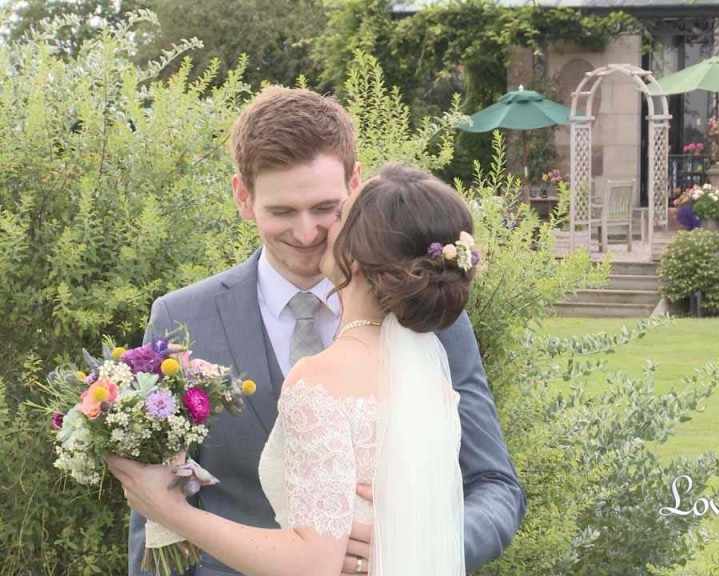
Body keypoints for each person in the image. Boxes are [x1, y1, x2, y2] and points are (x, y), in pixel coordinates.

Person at [115, 87, 525, 576]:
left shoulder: (426, 315)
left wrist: (414, 547)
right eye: (283, 212)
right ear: (243, 197)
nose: (307, 233)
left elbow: (496, 485)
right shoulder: (183, 317)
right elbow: (155, 522)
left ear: (355, 185)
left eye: (325, 208)